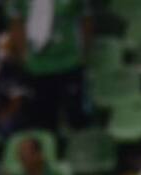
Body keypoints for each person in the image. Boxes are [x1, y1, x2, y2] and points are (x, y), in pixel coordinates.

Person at [7, 0, 91, 131]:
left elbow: (86, 20)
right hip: (37, 68)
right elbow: (16, 23)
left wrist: (83, 55)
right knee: (44, 123)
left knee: (77, 117)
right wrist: (24, 56)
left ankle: (81, 149)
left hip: (70, 64)